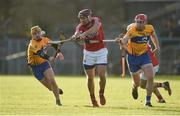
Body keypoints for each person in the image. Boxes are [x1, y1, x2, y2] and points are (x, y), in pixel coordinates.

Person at [116, 14, 160, 107]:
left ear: (145, 22)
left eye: (141, 22)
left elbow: (153, 35)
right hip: (133, 57)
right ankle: (134, 87)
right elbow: (125, 41)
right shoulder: (132, 30)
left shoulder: (149, 28)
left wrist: (157, 46)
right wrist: (120, 41)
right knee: (137, 83)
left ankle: (148, 101)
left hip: (144, 56)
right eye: (137, 22)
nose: (139, 24)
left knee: (150, 77)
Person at [72, 9, 108, 107]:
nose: (82, 20)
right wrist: (76, 37)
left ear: (89, 17)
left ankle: (101, 93)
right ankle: (93, 99)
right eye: (80, 19)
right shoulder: (80, 27)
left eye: (83, 18)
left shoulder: (96, 20)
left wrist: (84, 34)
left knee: (101, 74)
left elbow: (95, 29)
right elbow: (77, 36)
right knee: (90, 77)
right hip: (88, 53)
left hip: (101, 51)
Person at [27, 25, 64, 106]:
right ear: (32, 35)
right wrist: (49, 57)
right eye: (34, 34)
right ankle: (57, 90)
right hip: (35, 68)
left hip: (44, 64)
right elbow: (40, 53)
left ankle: (58, 101)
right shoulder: (32, 44)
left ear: (41, 33)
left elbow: (55, 45)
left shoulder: (45, 40)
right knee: (50, 87)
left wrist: (59, 52)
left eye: (38, 33)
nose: (37, 35)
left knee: (52, 81)